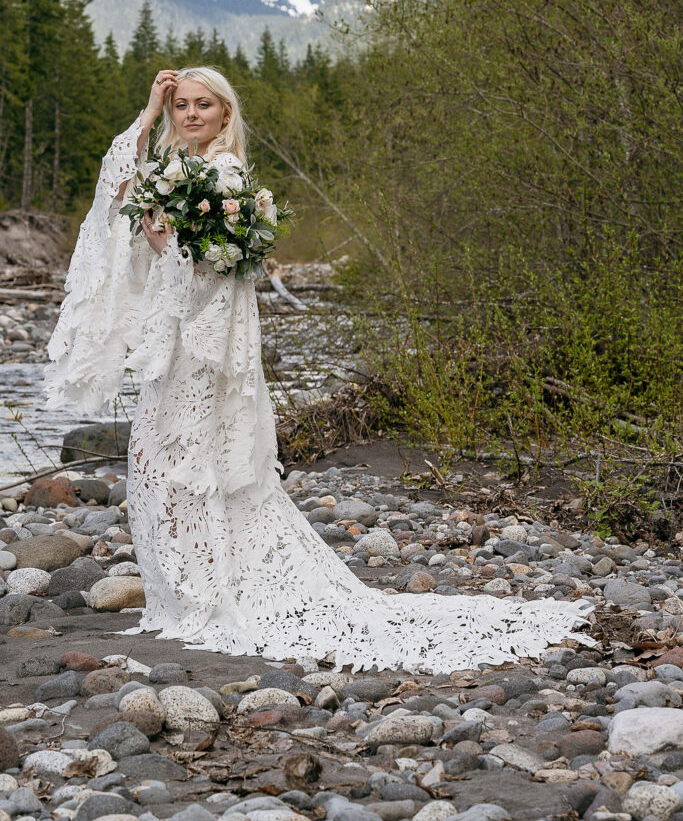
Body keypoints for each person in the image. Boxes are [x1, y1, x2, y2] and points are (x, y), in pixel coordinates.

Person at [44, 65, 596, 674]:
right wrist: (147, 115)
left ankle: (202, 595)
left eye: (203, 105)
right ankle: (186, 591)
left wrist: (162, 247)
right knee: (158, 461)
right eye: (182, 106)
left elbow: (215, 268)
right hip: (172, 344)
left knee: (180, 462)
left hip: (202, 349)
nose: (191, 114)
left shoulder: (226, 176)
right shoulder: (177, 169)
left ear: (225, 114)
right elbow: (116, 192)